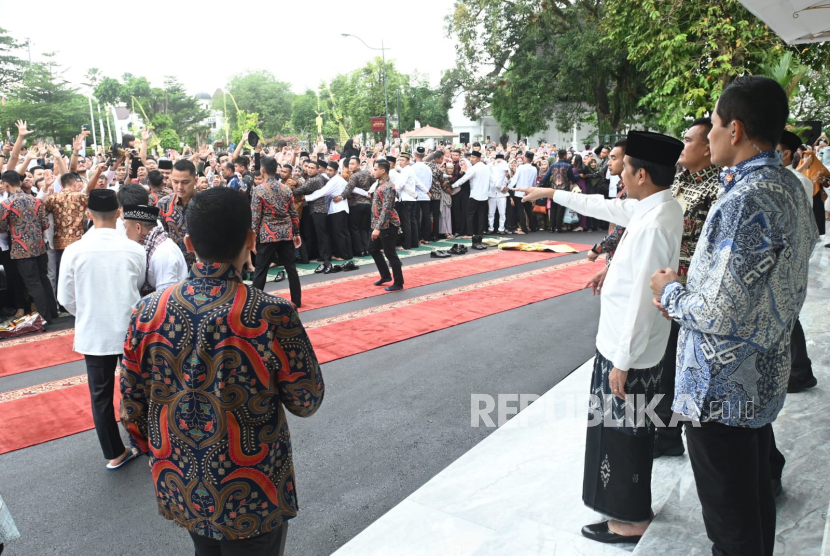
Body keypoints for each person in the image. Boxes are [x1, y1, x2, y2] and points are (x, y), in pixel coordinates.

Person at [650, 76, 818, 556]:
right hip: (759, 376)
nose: (711, 135)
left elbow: (719, 311)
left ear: (737, 129)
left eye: (716, 126)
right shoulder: (789, 183)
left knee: (731, 521)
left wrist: (672, 290)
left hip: (719, 391)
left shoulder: (746, 200)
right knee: (752, 501)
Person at [121, 187, 324, 556]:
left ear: (188, 242)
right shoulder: (270, 313)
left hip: (181, 478)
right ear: (251, 240)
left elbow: (131, 408)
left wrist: (167, 455)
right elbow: (306, 400)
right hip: (253, 488)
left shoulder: (148, 311)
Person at [522, 130, 685, 544]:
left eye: (625, 168)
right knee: (618, 432)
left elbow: (642, 300)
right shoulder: (656, 208)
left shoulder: (654, 222)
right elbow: (603, 206)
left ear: (643, 174)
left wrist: (623, 360)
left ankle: (629, 521)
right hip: (626, 347)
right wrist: (551, 193)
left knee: (622, 436)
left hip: (627, 351)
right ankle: (624, 512)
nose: (621, 177)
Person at [57, 189, 146, 470]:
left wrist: (88, 312)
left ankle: (114, 453)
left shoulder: (73, 251)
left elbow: (65, 298)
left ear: (88, 214)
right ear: (119, 213)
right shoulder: (135, 248)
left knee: (101, 396)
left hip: (94, 331)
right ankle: (149, 443)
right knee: (141, 389)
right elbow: (139, 284)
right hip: (130, 329)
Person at [652, 117, 722, 459]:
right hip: (671, 289)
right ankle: (666, 436)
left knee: (689, 367)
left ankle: (767, 461)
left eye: (689, 140)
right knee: (667, 365)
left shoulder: (719, 189)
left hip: (694, 294)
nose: (683, 145)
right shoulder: (680, 180)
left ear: (708, 148)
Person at [0, 170, 59, 321]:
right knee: (43, 279)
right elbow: (45, 224)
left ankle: (45, 317)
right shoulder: (35, 200)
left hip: (21, 249)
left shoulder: (6, 204)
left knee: (33, 283)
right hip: (39, 246)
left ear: (6, 184)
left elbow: (1, 228)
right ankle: (53, 313)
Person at [251, 156, 302, 306]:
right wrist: (296, 233)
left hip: (268, 234)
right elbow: (294, 213)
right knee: (291, 268)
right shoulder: (286, 188)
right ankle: (296, 300)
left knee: (261, 269)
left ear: (263, 170)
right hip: (286, 233)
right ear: (276, 170)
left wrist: (253, 237)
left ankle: (255, 302)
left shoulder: (259, 190)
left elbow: (255, 217)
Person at [118, 184, 187, 296]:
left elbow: (165, 299)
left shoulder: (163, 254)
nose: (125, 233)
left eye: (126, 228)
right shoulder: (154, 243)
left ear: (138, 228)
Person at [369, 159, 404, 291]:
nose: (373, 171)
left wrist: (377, 228)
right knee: (372, 248)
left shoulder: (388, 186)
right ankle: (385, 275)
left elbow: (386, 209)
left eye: (376, 169)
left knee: (391, 254)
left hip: (388, 225)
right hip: (378, 224)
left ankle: (398, 283)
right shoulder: (379, 184)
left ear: (383, 171)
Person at [293, 159, 332, 273]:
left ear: (317, 169)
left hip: (318, 210)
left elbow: (300, 190)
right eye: (308, 167)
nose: (309, 170)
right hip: (319, 209)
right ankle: (324, 254)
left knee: (322, 234)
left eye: (312, 168)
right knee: (321, 234)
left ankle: (325, 256)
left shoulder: (314, 180)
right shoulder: (321, 177)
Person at [157, 160, 198, 269]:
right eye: (175, 182)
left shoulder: (207, 204)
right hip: (173, 265)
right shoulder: (163, 204)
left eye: (185, 182)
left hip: (201, 266)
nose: (179, 187)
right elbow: (160, 236)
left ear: (195, 180)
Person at [452, 150, 491, 249]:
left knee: (469, 214)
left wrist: (453, 185)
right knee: (481, 215)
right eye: (471, 157)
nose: (471, 159)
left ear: (478, 158)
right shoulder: (486, 167)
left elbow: (464, 178)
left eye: (473, 157)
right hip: (484, 195)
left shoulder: (475, 168)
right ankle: (479, 232)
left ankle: (470, 233)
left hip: (475, 195)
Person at [341, 156, 373, 256]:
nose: (350, 166)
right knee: (364, 228)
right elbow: (374, 184)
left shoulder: (354, 176)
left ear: (358, 165)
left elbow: (349, 188)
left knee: (355, 228)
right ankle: (367, 249)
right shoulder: (367, 174)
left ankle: (360, 250)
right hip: (367, 204)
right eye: (349, 164)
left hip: (356, 204)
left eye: (353, 164)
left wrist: (341, 197)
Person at [507, 151, 539, 233]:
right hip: (528, 191)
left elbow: (515, 179)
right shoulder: (534, 169)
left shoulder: (521, 167)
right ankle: (533, 227)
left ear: (525, 158)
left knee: (521, 211)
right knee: (529, 210)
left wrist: (509, 187)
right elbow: (534, 182)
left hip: (519, 192)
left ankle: (524, 228)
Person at [487, 153, 510, 234]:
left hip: (502, 195)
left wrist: (507, 188)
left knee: (502, 213)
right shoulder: (491, 167)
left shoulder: (506, 168)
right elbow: (493, 182)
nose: (499, 161)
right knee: (491, 213)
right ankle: (491, 228)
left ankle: (501, 229)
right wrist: (502, 188)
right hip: (492, 193)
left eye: (501, 159)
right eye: (498, 159)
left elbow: (509, 181)